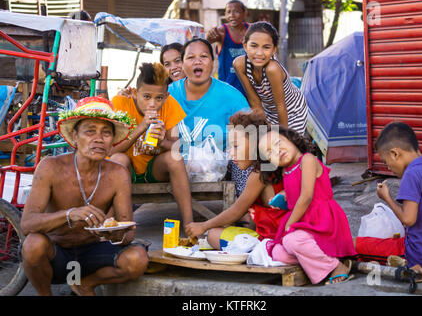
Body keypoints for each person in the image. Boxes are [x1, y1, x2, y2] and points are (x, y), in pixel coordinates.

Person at [20, 96, 149, 296]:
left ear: (112, 140)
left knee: (137, 259)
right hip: (56, 254)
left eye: (106, 133)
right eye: (90, 131)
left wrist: (114, 234)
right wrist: (70, 214)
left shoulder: (118, 174)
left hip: (94, 252)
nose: (98, 139)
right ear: (74, 136)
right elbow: (27, 224)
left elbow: (128, 231)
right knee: (33, 245)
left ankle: (85, 284)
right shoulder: (50, 167)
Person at [257, 126, 357, 285]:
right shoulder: (286, 171)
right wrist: (282, 199)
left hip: (321, 221)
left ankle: (336, 266)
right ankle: (318, 260)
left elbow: (306, 196)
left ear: (291, 139)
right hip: (304, 223)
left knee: (291, 241)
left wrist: (290, 223)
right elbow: (295, 195)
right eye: (269, 153)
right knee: (278, 253)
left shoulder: (307, 160)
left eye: (278, 143)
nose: (276, 151)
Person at [110, 62, 194, 232]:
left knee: (174, 158)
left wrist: (163, 142)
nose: (153, 104)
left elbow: (177, 147)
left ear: (166, 96)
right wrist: (141, 127)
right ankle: (114, 225)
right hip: (127, 170)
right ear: (135, 92)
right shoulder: (120, 103)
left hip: (153, 169)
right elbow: (110, 150)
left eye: (159, 98)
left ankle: (190, 225)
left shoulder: (170, 105)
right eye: (146, 97)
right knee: (118, 159)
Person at [355, 122, 422, 270]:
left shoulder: (411, 174)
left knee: (355, 245)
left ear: (395, 153)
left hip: (417, 256)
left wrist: (387, 198)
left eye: (386, 162)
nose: (388, 167)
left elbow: (408, 219)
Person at [185, 109, 286, 249]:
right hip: (274, 233)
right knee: (220, 231)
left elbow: (237, 210)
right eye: (230, 147)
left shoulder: (259, 173)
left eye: (236, 146)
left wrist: (203, 225)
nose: (231, 153)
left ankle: (260, 250)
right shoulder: (267, 167)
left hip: (275, 238)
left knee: (213, 235)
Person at [168, 38, 250, 196]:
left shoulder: (231, 96)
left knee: (249, 160)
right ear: (183, 64)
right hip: (176, 166)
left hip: (222, 166)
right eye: (190, 57)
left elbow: (249, 136)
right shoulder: (169, 94)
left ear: (213, 63)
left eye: (204, 56)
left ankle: (246, 212)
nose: (197, 61)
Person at [234, 21, 308, 135]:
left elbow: (281, 107)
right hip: (269, 111)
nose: (259, 53)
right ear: (245, 46)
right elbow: (254, 101)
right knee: (265, 144)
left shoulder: (272, 69)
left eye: (266, 47)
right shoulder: (239, 64)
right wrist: (265, 128)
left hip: (292, 111)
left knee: (288, 147)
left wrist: (283, 137)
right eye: (253, 46)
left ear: (274, 50)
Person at [206, 0, 249, 96]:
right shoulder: (221, 31)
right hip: (227, 87)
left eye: (236, 11)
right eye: (228, 12)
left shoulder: (251, 30)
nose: (232, 15)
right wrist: (209, 36)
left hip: (248, 87)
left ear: (244, 13)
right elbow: (207, 40)